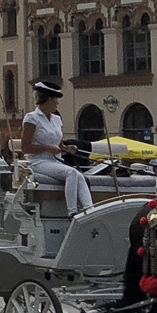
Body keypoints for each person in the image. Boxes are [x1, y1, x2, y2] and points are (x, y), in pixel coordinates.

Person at [19, 81, 92, 216]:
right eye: (56, 100)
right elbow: (25, 148)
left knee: (79, 175)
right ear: (49, 100)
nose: (57, 103)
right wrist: (47, 148)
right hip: (37, 161)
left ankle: (90, 209)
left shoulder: (57, 119)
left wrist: (66, 149)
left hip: (54, 161)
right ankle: (72, 211)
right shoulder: (31, 118)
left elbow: (58, 145)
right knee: (71, 173)